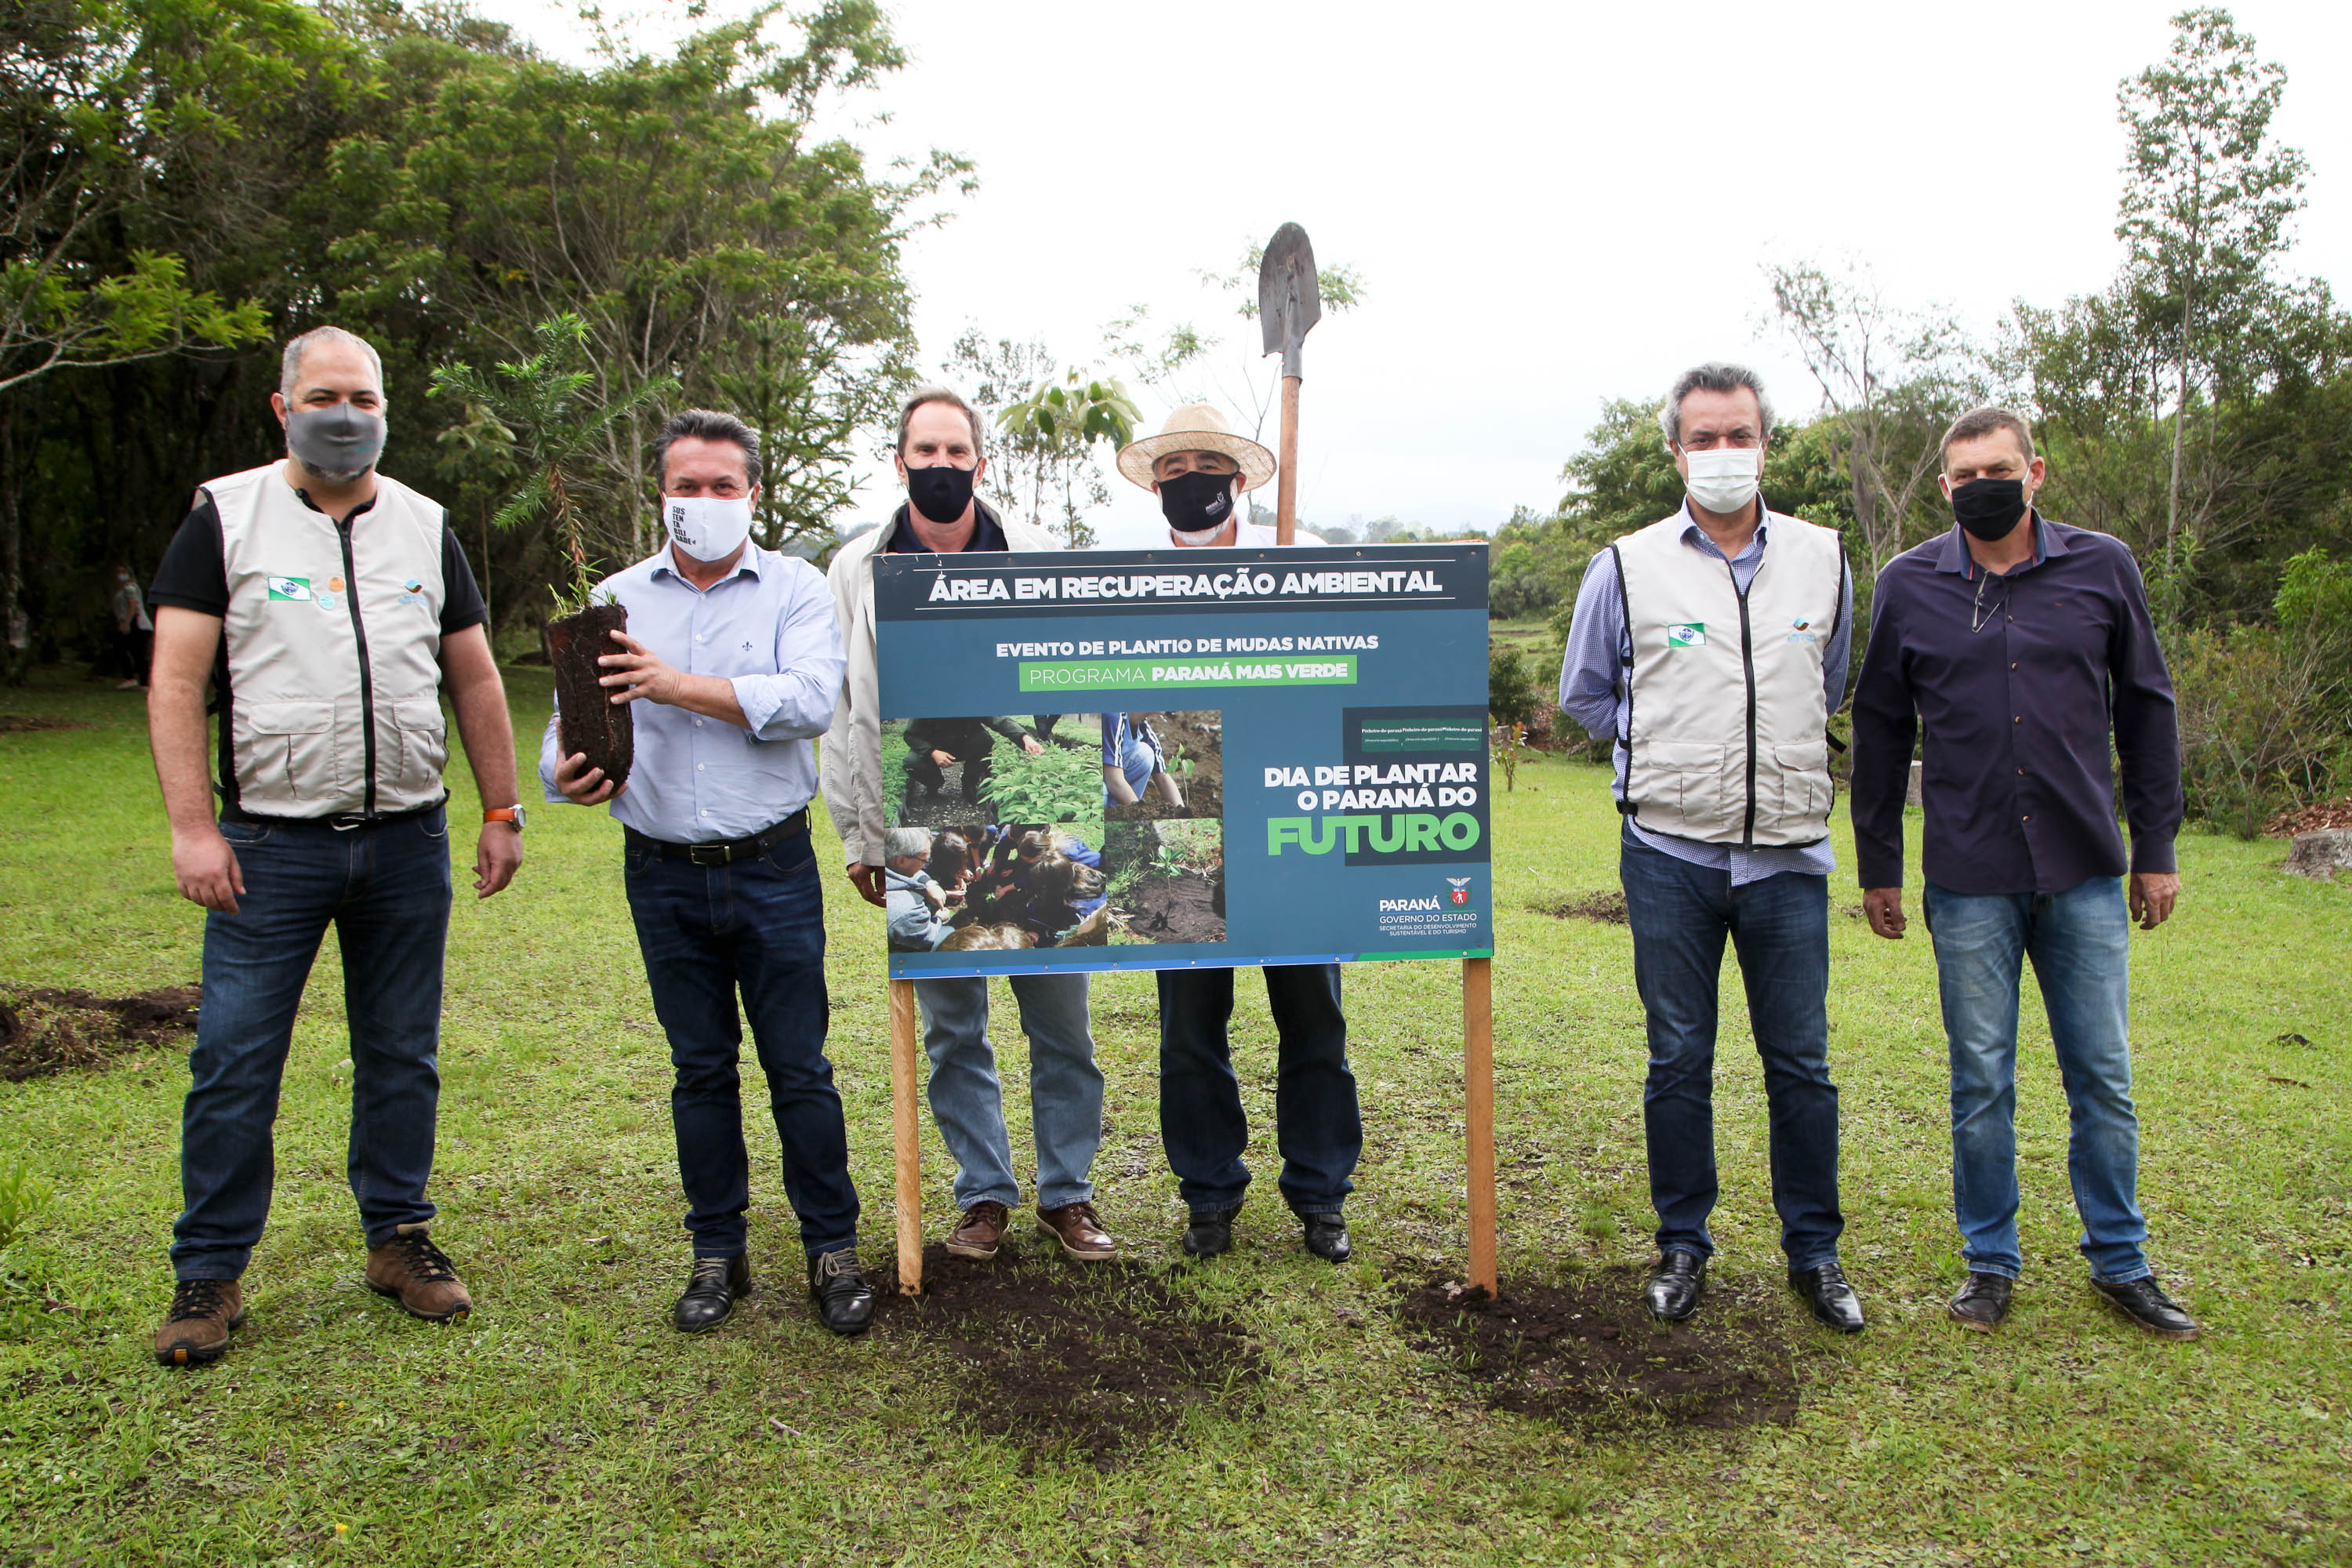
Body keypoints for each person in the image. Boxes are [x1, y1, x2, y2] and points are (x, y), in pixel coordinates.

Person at [144, 325, 524, 1367]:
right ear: (282, 408)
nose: (344, 413)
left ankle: (398, 1237)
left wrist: (500, 809)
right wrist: (192, 828)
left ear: (386, 408)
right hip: (268, 847)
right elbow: (177, 681)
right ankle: (210, 1269)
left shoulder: (423, 524)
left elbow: (476, 675)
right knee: (234, 1060)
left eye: (363, 395)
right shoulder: (226, 517)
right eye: (323, 395)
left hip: (406, 843)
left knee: (401, 1054)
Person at [1850, 407, 2197, 1341]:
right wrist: (1878, 862)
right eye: (1964, 475)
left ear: (2035, 470)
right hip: (1968, 875)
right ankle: (1989, 1260)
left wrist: (2156, 847)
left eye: (1998, 468)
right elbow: (1881, 730)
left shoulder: (2104, 566)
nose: (1982, 486)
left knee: (2104, 1075)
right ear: (1945, 487)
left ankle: (2120, 1259)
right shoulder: (1909, 585)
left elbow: (2149, 708)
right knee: (1982, 1078)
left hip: (2086, 864)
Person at [542, 408, 872, 1337]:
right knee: (699, 1070)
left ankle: (831, 1248)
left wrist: (671, 682)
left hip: (771, 865)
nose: (705, 500)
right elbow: (561, 738)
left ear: (752, 494)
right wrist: (562, 774)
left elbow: (809, 700)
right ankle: (716, 1251)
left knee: (800, 1067)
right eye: (687, 485)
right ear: (662, 493)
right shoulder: (612, 598)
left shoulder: (797, 590)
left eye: (724, 485)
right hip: (661, 871)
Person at [1556, 362, 1862, 1332]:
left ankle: (1815, 1251)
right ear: (1675, 450)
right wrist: (1670, 755)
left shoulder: (1825, 557)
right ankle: (1682, 1242)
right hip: (1669, 853)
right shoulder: (1626, 562)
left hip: (1786, 855)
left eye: (1740, 435)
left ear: (1765, 442)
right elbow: (1587, 693)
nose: (1723, 453)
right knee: (1679, 1056)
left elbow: (1833, 676)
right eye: (1704, 437)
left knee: (1800, 1062)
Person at [822, 386, 1113, 1265]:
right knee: (956, 1026)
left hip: (1033, 820)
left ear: (980, 463)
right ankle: (983, 1193)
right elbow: (847, 707)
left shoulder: (1036, 558)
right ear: (900, 459)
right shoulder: (855, 567)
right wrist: (859, 833)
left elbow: (1070, 671)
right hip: (928, 813)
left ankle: (1068, 1194)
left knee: (1061, 1021)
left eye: (957, 452)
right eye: (926, 451)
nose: (941, 466)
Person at [1116, 404, 1356, 1264]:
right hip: (1181, 826)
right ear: (1155, 488)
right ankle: (1209, 1193)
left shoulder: (1306, 560)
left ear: (1242, 479)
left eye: (1204, 466)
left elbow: (1355, 672)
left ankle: (1321, 1195)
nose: (1189, 482)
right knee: (1189, 1027)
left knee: (1314, 1020)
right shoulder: (1129, 582)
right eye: (1172, 470)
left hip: (1293, 824)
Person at [902, 713, 1042, 808]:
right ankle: (934, 784)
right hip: (933, 746)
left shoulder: (970, 695)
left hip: (964, 742)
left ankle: (969, 784)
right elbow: (910, 735)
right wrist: (932, 752)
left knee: (984, 741)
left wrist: (1025, 737)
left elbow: (999, 720)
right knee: (912, 762)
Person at [884, 826, 956, 953]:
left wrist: (929, 883)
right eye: (924, 860)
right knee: (950, 933)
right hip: (902, 951)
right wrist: (939, 919)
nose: (925, 864)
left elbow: (902, 873)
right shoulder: (907, 910)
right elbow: (925, 938)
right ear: (900, 860)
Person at [1102, 713, 1183, 810]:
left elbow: (1163, 777)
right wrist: (1140, 815)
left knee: (1145, 754)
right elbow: (1114, 782)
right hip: (1098, 780)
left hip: (1111, 779)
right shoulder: (1113, 716)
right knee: (1103, 794)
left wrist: (1182, 812)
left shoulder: (1142, 726)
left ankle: (1121, 813)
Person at [111, 563, 153, 690]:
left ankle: (138, 680)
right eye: (119, 572)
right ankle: (137, 680)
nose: (121, 575)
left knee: (133, 651)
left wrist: (127, 623)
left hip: (137, 623)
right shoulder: (124, 588)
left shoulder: (130, 587)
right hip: (131, 622)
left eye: (123, 572)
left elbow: (133, 605)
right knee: (132, 651)